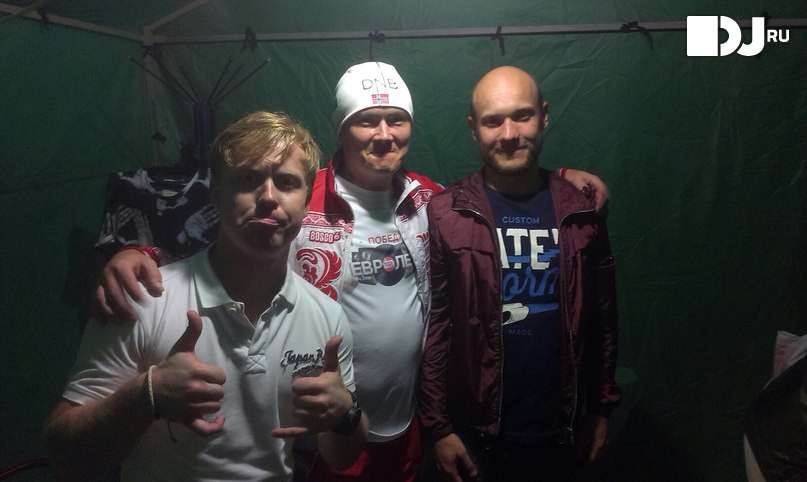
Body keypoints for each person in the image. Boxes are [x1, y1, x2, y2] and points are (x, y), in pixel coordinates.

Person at [91, 62, 610, 481]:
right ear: (341, 128)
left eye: (396, 119)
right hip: (315, 425)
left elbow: (495, 192)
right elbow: (222, 235)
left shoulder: (429, 199)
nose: (384, 135)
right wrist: (140, 252)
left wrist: (559, 178)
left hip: (405, 419)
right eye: (367, 120)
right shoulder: (297, 194)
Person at [44, 111, 368, 481]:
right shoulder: (143, 299)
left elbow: (341, 457)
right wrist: (148, 394)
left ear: (306, 201)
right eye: (248, 179)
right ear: (216, 193)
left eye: (287, 182)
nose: (268, 197)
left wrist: (345, 415)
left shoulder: (327, 317)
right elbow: (65, 456)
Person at [418, 66, 620, 482]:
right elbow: (437, 325)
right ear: (473, 129)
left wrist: (600, 409)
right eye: (493, 121)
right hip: (476, 434)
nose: (509, 134)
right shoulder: (447, 213)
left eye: (522, 116)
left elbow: (603, 317)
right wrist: (438, 427)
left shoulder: (582, 209)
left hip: (565, 430)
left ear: (544, 115)